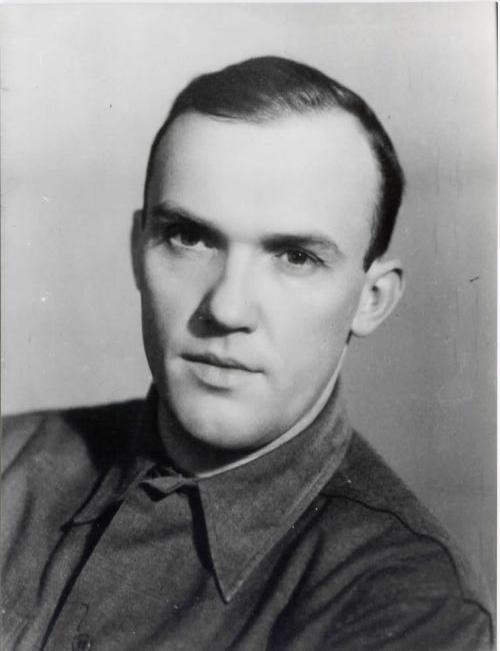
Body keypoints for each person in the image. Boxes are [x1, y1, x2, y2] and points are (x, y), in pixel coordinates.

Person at [1, 56, 493, 650]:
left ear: (371, 300)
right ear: (138, 250)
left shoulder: (411, 607)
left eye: (295, 257)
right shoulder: (10, 463)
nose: (228, 308)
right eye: (189, 237)